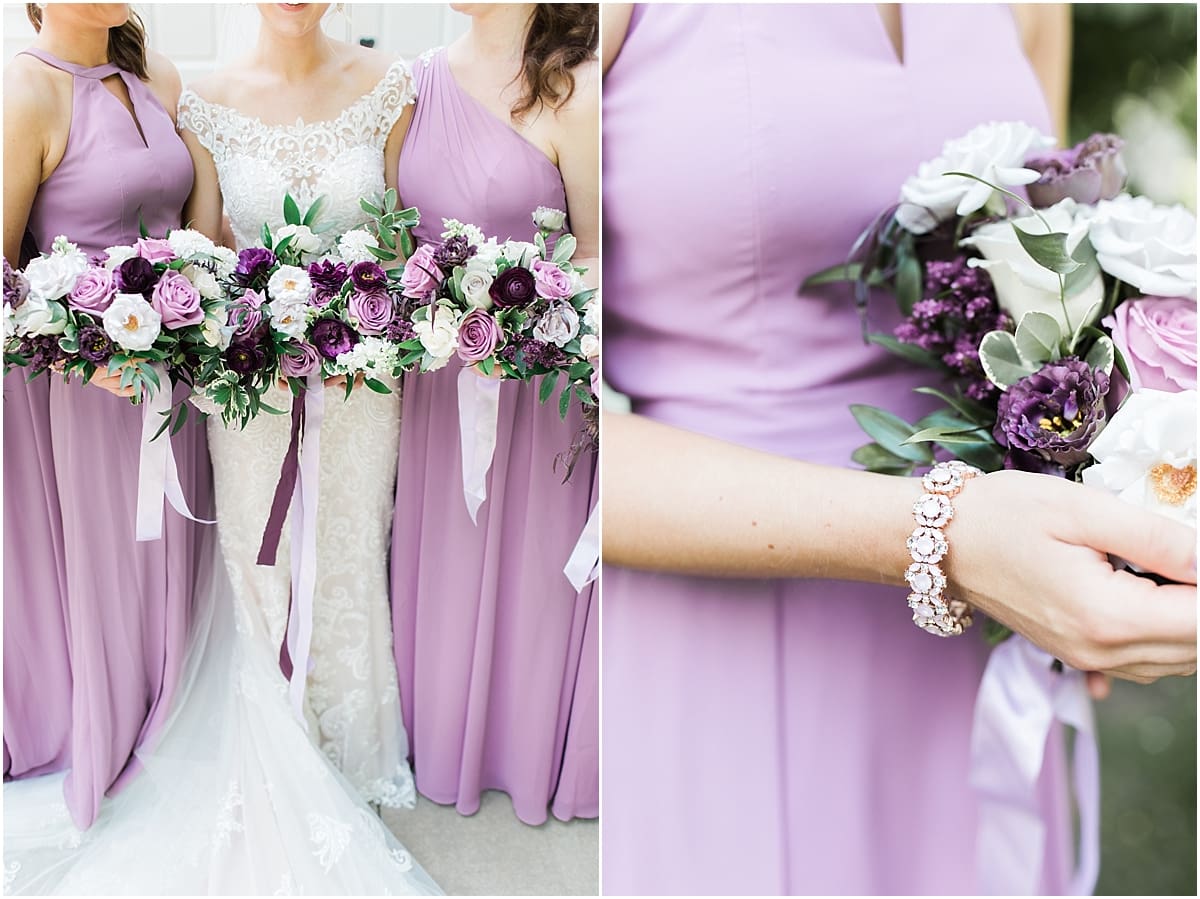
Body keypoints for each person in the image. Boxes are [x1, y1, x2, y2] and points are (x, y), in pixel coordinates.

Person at [599, 4, 1197, 894]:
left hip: (988, 641)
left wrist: (1120, 521)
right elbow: (550, 439)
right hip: (718, 640)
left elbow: (1037, 288)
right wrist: (944, 535)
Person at [178, 1, 416, 808]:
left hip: (362, 389)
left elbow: (399, 250)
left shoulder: (390, 86)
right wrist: (252, 337)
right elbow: (203, 251)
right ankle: (272, 737)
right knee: (260, 553)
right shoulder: (204, 102)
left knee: (350, 552)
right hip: (252, 388)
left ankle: (353, 739)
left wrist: (367, 332)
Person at [2, 1, 211, 831]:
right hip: (81, 390)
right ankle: (105, 724)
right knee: (113, 560)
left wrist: (211, 298)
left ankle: (170, 707)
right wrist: (87, 361)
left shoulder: (156, 76)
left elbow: (199, 210)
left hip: (181, 372)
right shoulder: (24, 91)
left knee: (173, 548)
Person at [390, 1, 600, 825]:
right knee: (438, 551)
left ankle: (517, 746)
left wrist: (524, 322)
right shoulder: (414, 81)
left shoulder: (573, 89)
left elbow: (594, 249)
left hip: (535, 388)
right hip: (436, 385)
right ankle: (436, 736)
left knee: (526, 568)